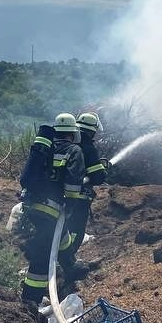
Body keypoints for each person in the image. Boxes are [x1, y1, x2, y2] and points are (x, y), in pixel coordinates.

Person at [17, 112, 86, 305]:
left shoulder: (46, 148)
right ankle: (31, 299)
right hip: (52, 209)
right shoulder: (74, 151)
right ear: (72, 133)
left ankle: (71, 267)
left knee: (61, 237)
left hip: (32, 205)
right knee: (42, 255)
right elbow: (73, 182)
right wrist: (71, 203)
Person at [60, 111, 107, 276]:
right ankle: (67, 263)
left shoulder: (66, 143)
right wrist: (103, 169)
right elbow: (98, 177)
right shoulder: (88, 148)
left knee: (60, 230)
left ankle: (60, 261)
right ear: (92, 130)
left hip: (58, 198)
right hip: (78, 200)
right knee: (74, 233)